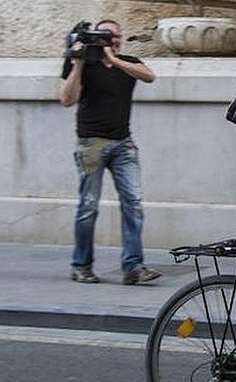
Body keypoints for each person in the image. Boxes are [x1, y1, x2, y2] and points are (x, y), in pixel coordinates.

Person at [60, 19, 162, 286]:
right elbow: (67, 99)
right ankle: (81, 265)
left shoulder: (126, 62)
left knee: (134, 204)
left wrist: (113, 59)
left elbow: (149, 75)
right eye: (105, 36)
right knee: (88, 207)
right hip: (91, 144)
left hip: (123, 144)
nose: (111, 40)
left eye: (115, 36)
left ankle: (133, 267)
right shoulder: (83, 62)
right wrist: (79, 63)